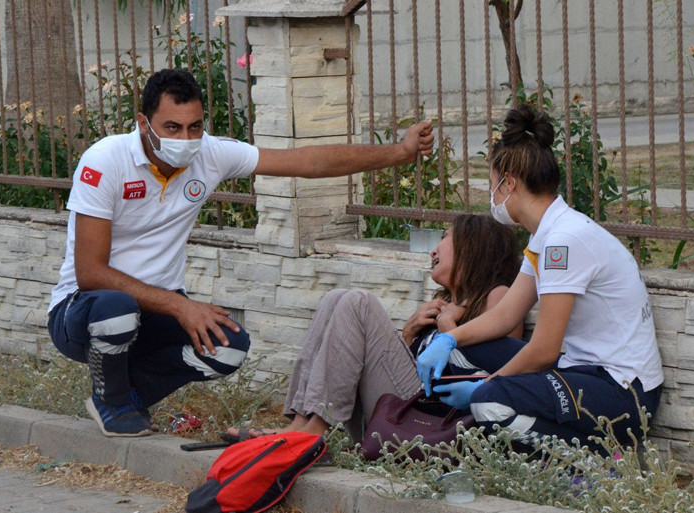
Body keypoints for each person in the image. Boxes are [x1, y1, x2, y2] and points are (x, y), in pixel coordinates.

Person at [46, 68, 434, 437]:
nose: (185, 139)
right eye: (172, 127)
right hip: (83, 311)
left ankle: (122, 397)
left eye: (194, 126)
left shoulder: (211, 153)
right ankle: (112, 400)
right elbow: (90, 273)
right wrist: (182, 306)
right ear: (143, 123)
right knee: (118, 309)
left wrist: (399, 153)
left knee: (229, 347)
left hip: (155, 311)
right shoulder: (105, 160)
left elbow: (307, 162)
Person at [420, 104, 664, 451]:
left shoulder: (564, 240)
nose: (491, 196)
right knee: (446, 348)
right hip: (582, 374)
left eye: (491, 185)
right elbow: (506, 316)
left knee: (490, 402)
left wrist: (486, 385)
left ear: (510, 184)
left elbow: (545, 350)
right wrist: (450, 340)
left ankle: (588, 466)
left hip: (622, 393)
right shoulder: (546, 235)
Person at [227, 214, 523, 441]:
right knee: (335, 298)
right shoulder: (444, 303)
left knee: (358, 302)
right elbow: (411, 366)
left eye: (445, 238)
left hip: (436, 415)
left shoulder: (498, 296)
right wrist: (409, 334)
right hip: (411, 404)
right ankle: (299, 423)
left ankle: (315, 431)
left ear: (472, 248)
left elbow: (503, 367)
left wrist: (448, 328)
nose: (433, 250)